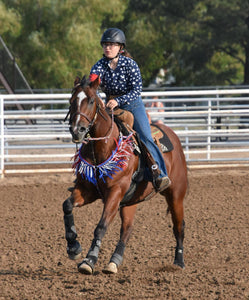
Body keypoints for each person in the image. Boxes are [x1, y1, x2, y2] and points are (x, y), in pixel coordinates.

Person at [89, 28, 170, 190]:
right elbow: (92, 84)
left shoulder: (130, 64)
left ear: (121, 47)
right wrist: (91, 92)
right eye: (105, 44)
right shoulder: (99, 66)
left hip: (132, 105)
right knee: (93, 135)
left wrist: (118, 100)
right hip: (109, 106)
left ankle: (160, 174)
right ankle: (89, 176)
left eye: (112, 45)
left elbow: (136, 90)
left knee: (145, 136)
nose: (108, 48)